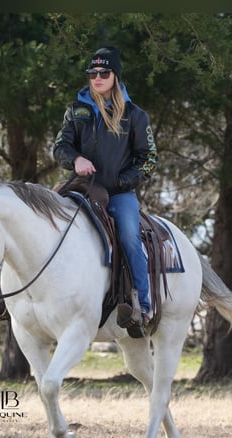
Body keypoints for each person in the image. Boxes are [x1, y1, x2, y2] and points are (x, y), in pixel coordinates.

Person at [52, 46, 158, 337]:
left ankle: (142, 305)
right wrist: (75, 159)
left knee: (128, 236)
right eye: (92, 73)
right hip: (80, 188)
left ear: (115, 76)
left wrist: (124, 181)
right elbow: (59, 147)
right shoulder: (77, 110)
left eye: (104, 73)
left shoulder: (135, 115)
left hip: (119, 194)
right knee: (42, 221)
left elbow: (149, 159)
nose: (97, 78)